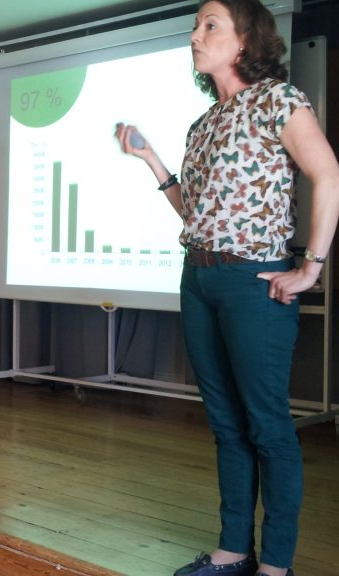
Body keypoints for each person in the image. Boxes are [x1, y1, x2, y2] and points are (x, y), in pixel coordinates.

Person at [115, 1, 339, 575]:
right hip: (199, 276)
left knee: (266, 425)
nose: (195, 35)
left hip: (252, 280)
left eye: (209, 25)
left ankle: (276, 565)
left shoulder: (277, 99)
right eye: (195, 26)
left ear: (245, 40)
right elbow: (196, 213)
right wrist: (151, 159)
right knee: (225, 423)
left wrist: (311, 266)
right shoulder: (204, 123)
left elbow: (327, 173)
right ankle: (234, 551)